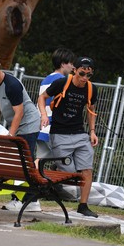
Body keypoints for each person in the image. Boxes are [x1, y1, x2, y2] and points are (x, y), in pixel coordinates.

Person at [0, 51, 42, 212]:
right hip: (16, 124)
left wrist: (10, 136)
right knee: (15, 162)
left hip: (29, 124)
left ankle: (30, 200)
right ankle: (21, 198)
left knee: (25, 161)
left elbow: (19, 112)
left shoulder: (12, 85)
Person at [37, 56, 99, 217]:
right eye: (82, 73)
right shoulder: (62, 83)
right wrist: (44, 115)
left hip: (80, 133)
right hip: (59, 134)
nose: (85, 78)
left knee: (86, 169)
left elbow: (91, 110)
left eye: (89, 75)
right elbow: (42, 97)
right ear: (74, 70)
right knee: (70, 172)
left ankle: (83, 205)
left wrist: (92, 131)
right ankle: (56, 168)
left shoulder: (91, 88)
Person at [37, 48, 75, 159]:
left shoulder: (46, 79)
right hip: (55, 129)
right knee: (68, 161)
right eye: (71, 63)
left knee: (40, 160)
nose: (73, 67)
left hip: (42, 127)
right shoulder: (64, 81)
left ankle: (25, 176)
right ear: (63, 64)